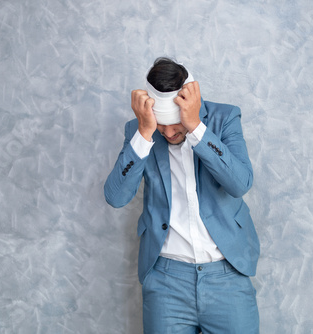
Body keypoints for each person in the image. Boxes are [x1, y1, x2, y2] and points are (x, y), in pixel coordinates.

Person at [104, 57, 260, 333]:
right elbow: (116, 196)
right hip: (166, 280)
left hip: (227, 276)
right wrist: (144, 134)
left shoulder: (225, 118)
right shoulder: (139, 130)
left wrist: (197, 128)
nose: (169, 132)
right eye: (162, 123)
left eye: (175, 122)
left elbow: (240, 184)